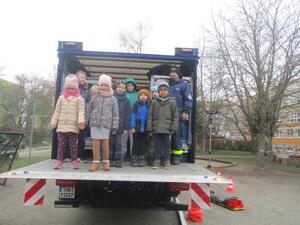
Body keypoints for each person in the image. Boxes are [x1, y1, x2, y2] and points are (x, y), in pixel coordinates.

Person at [50, 74, 85, 169]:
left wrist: (81, 121)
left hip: (73, 126)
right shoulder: (61, 98)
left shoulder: (79, 98)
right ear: (65, 88)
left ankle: (74, 160)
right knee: (61, 145)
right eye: (68, 88)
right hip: (62, 126)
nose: (70, 90)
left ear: (76, 89)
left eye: (73, 88)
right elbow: (57, 111)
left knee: (73, 145)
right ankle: (59, 160)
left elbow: (81, 111)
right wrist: (54, 121)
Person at [85, 74, 119, 172]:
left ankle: (106, 162)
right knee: (95, 143)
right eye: (102, 85)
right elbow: (88, 110)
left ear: (110, 86)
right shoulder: (95, 97)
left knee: (105, 142)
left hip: (106, 124)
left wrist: (115, 126)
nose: (104, 87)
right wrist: (85, 121)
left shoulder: (113, 99)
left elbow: (116, 114)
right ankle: (95, 162)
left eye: (106, 85)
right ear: (99, 85)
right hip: (95, 123)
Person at [147, 82, 178, 170]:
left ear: (168, 92)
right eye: (160, 90)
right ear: (158, 92)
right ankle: (156, 161)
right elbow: (150, 116)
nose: (163, 92)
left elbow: (175, 117)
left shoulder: (172, 103)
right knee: (157, 146)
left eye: (165, 90)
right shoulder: (154, 102)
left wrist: (173, 128)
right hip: (156, 129)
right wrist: (150, 129)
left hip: (167, 130)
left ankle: (166, 161)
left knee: (167, 146)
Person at [169, 67, 192, 165]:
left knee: (176, 137)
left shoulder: (184, 85)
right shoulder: (167, 85)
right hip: (166, 115)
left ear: (179, 74)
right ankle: (167, 156)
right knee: (166, 137)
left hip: (178, 116)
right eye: (171, 73)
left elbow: (188, 99)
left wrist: (186, 111)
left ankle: (176, 157)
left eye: (174, 73)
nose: (172, 74)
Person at [110, 80, 131, 168]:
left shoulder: (126, 100)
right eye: (119, 87)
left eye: (123, 87)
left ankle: (118, 160)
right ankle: (110, 160)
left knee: (119, 143)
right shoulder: (111, 97)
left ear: (125, 89)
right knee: (110, 143)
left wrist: (126, 127)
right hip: (110, 126)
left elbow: (128, 114)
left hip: (120, 126)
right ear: (116, 87)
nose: (120, 89)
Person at [130, 89, 150, 167]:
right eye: (141, 95)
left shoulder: (149, 105)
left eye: (145, 95)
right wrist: (132, 126)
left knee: (143, 144)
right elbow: (133, 115)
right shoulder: (136, 104)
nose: (143, 97)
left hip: (145, 127)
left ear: (147, 97)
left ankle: (141, 158)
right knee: (135, 144)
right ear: (139, 96)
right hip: (137, 127)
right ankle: (134, 158)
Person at [75, 70, 91, 162]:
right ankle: (68, 155)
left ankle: (80, 155)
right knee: (71, 136)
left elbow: (89, 102)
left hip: (82, 116)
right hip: (73, 115)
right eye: (81, 77)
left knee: (81, 137)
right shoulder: (71, 88)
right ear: (76, 77)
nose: (83, 79)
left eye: (84, 78)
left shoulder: (86, 90)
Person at [123, 77, 138, 159]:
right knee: (123, 139)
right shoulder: (123, 94)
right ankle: (122, 154)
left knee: (133, 139)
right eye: (128, 85)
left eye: (131, 85)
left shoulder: (137, 95)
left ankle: (133, 155)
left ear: (134, 86)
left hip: (134, 121)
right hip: (124, 119)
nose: (130, 87)